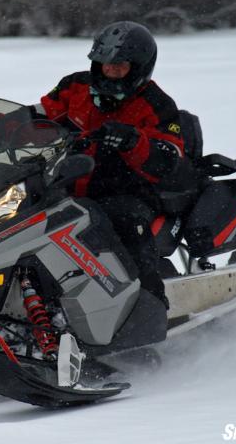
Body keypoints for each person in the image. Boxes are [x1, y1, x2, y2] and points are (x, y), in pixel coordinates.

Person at [37, 21, 194, 310]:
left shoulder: (157, 104)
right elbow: (41, 115)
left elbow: (169, 158)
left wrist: (133, 141)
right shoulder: (75, 86)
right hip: (67, 184)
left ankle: (149, 313)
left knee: (125, 221)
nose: (109, 71)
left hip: (128, 191)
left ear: (138, 68)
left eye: (118, 66)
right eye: (103, 64)